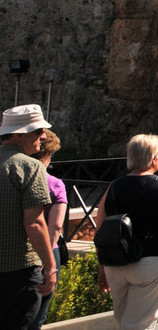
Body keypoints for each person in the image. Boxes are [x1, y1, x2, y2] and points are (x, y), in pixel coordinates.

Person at [93, 133, 158, 330]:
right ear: (154, 158)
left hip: (116, 261)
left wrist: (102, 266)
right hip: (151, 260)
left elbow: (100, 227)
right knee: (140, 324)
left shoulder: (114, 186)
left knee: (122, 321)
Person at [0, 104, 56, 330]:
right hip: (19, 271)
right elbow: (34, 222)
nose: (43, 137)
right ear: (19, 134)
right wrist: (50, 266)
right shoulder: (30, 166)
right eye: (37, 131)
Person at [34, 130, 67, 328]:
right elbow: (55, 226)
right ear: (47, 155)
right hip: (47, 251)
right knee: (38, 315)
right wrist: (49, 264)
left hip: (16, 251)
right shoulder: (55, 184)